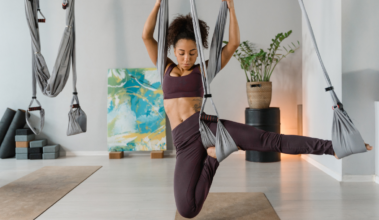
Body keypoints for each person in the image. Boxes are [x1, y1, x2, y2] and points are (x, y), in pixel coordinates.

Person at [142, 0, 373, 218]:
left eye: (192, 53)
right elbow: (146, 36)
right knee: (187, 209)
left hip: (208, 128)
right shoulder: (164, 68)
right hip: (183, 141)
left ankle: (333, 147)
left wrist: (230, 9)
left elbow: (232, 45)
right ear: (172, 49)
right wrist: (158, 4)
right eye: (181, 53)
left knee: (270, 140)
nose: (186, 58)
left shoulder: (203, 70)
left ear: (199, 51)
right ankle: (214, 158)